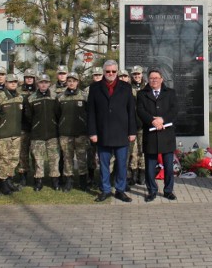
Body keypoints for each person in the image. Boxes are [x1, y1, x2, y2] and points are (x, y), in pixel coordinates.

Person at [87, 60, 137, 202]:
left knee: (121, 164)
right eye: (108, 71)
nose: (110, 74)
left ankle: (120, 190)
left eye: (113, 71)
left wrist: (132, 131)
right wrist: (92, 132)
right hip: (103, 133)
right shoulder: (95, 88)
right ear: (103, 72)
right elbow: (91, 112)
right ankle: (105, 190)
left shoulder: (126, 87)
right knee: (103, 164)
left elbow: (131, 112)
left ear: (117, 72)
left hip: (121, 132)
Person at [137, 68, 179, 202]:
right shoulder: (142, 94)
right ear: (148, 80)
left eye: (156, 78)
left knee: (168, 166)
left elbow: (174, 110)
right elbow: (140, 110)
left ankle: (168, 191)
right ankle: (152, 191)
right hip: (150, 134)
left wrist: (162, 120)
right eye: (151, 78)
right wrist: (152, 120)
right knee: (150, 166)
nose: (154, 80)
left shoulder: (170, 93)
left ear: (162, 79)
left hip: (166, 134)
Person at [24, 74, 60, 191]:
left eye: (46, 82)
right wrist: (36, 125)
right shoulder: (31, 98)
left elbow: (58, 113)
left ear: (49, 83)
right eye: (41, 82)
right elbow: (28, 116)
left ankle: (55, 181)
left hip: (52, 133)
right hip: (37, 134)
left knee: (54, 159)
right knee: (38, 160)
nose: (43, 84)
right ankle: (38, 181)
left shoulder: (55, 97)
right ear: (37, 84)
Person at [57, 72, 90, 192]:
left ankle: (83, 182)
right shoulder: (60, 97)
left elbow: (89, 113)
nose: (71, 83)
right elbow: (57, 114)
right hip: (65, 134)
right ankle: (68, 181)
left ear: (78, 82)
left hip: (80, 133)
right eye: (69, 81)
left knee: (82, 158)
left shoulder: (84, 96)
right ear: (66, 82)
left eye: (74, 81)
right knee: (67, 158)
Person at [0, 73, 24, 195]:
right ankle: (2, 182)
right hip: (3, 135)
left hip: (16, 134)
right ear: (5, 83)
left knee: (13, 159)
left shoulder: (19, 97)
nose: (13, 83)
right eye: (10, 82)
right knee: (4, 160)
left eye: (15, 82)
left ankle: (9, 180)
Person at [16, 68, 37, 186]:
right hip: (22, 127)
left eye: (31, 77)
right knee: (22, 154)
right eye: (27, 77)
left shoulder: (38, 90)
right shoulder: (19, 91)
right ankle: (23, 176)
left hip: (35, 127)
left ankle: (36, 176)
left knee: (35, 154)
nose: (29, 79)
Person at [128, 65, 146, 187]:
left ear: (142, 74)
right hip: (133, 124)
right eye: (134, 74)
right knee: (133, 151)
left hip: (145, 124)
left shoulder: (147, 88)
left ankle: (142, 174)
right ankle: (133, 173)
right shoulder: (128, 88)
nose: (137, 76)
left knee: (143, 150)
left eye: (138, 74)